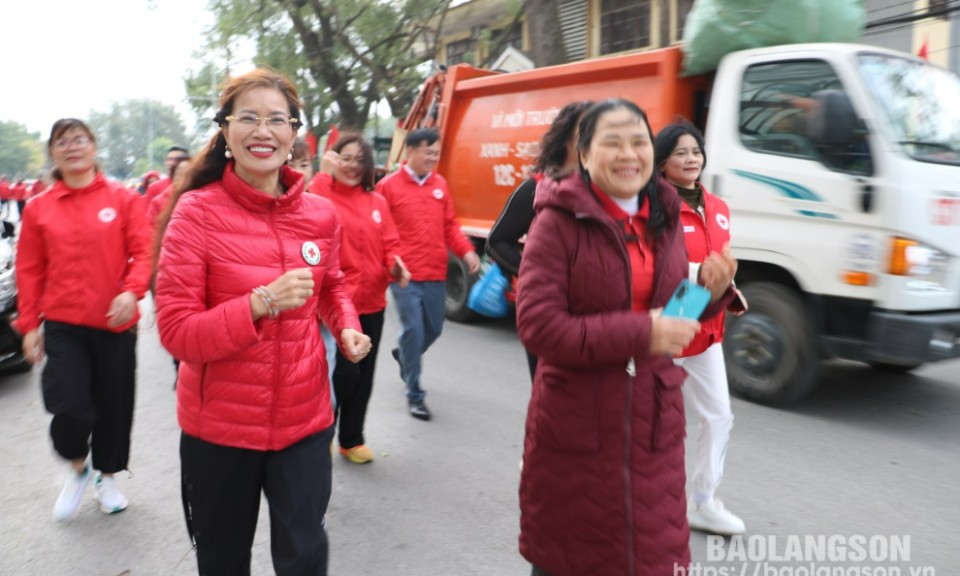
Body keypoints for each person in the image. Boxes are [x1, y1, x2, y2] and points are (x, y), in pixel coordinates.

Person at [154, 68, 371, 575]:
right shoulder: (196, 213)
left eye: (277, 119)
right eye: (247, 118)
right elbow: (177, 331)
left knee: (305, 556)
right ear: (225, 132)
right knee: (224, 560)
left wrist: (346, 325)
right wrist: (257, 304)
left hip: (305, 418)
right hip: (221, 430)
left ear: (294, 133)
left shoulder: (319, 215)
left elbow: (333, 285)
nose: (262, 131)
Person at [515, 99, 738, 576]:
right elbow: (539, 326)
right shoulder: (556, 222)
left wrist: (708, 294)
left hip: (654, 426)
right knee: (571, 559)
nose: (627, 153)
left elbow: (673, 318)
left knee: (650, 556)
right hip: (577, 426)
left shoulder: (665, 218)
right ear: (585, 155)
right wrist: (646, 330)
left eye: (638, 140)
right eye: (611, 142)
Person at [16, 118, 151, 521]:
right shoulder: (40, 208)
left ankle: (107, 478)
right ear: (53, 152)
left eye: (79, 139)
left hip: (114, 324)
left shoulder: (123, 199)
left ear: (93, 147)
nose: (72, 147)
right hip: (63, 327)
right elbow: (29, 270)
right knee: (70, 407)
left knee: (114, 406)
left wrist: (132, 290)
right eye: (62, 141)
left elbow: (144, 252)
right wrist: (28, 327)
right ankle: (79, 467)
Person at [654, 122, 747, 536]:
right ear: (662, 162)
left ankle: (704, 501)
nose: (692, 159)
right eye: (681, 153)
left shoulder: (720, 206)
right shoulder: (655, 206)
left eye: (696, 151)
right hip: (667, 320)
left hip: (707, 326)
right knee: (650, 420)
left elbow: (721, 263)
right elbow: (653, 268)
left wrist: (728, 288)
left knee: (718, 416)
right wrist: (702, 276)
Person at [311, 133, 410, 464]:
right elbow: (308, 209)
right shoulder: (321, 194)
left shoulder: (377, 202)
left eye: (359, 160)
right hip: (337, 304)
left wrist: (396, 266)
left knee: (364, 375)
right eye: (345, 158)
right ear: (332, 159)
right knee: (341, 373)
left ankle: (351, 439)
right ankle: (321, 432)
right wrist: (324, 174)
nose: (352, 166)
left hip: (373, 302)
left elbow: (391, 243)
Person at [377, 128, 480, 421]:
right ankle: (415, 394)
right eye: (427, 151)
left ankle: (405, 355)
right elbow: (379, 230)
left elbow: (450, 225)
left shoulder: (440, 185)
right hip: (403, 274)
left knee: (433, 329)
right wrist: (386, 265)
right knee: (414, 329)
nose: (432, 157)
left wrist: (467, 251)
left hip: (435, 272)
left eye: (436, 152)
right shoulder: (389, 186)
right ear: (410, 152)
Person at [487, 100, 592, 381]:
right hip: (547, 311)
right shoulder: (537, 187)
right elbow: (498, 241)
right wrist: (538, 277)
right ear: (565, 139)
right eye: (584, 130)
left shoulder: (612, 195)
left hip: (594, 318)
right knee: (551, 394)